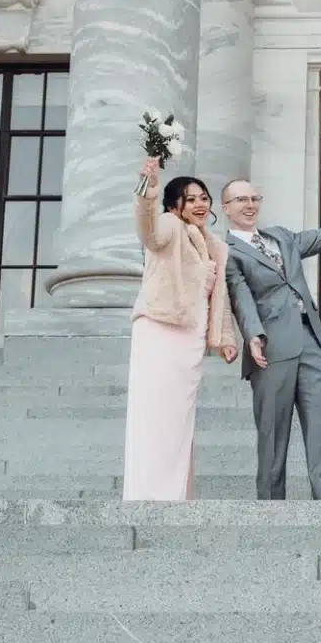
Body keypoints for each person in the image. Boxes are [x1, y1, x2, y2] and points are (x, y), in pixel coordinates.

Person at [222, 165, 321, 501]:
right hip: (271, 346)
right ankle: (271, 500)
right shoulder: (227, 250)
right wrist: (253, 334)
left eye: (254, 198)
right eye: (241, 199)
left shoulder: (281, 236)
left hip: (310, 340)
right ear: (226, 207)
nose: (250, 204)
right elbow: (240, 296)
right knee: (272, 430)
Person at [124, 159, 237, 501]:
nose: (200, 204)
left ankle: (174, 494)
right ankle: (147, 494)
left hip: (191, 339)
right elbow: (148, 231)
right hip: (160, 329)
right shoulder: (170, 226)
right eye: (191, 199)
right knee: (153, 416)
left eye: (204, 198)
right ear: (175, 205)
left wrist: (225, 340)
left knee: (179, 420)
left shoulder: (217, 246)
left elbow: (220, 298)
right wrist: (149, 189)